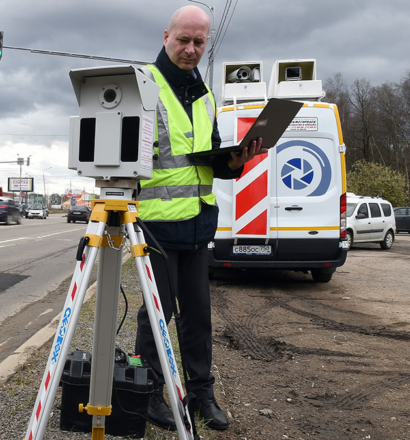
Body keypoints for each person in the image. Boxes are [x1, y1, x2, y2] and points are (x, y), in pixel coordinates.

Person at [134, 5, 265, 432]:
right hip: (155, 222)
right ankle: (151, 390)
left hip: (196, 222)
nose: (191, 49)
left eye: (199, 43)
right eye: (184, 40)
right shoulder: (145, 86)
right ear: (166, 36)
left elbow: (204, 160)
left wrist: (235, 161)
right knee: (158, 314)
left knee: (198, 315)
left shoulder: (204, 94)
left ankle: (201, 393)